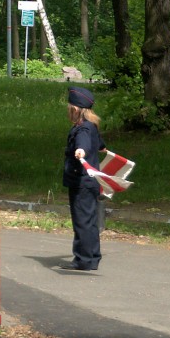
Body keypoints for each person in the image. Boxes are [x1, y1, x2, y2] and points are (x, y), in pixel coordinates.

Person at [61, 86, 102, 271]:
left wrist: (81, 150)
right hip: (91, 182)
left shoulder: (82, 129)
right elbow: (100, 145)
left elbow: (83, 144)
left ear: (75, 109)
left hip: (81, 182)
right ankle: (92, 256)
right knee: (90, 221)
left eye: (69, 106)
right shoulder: (91, 125)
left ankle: (83, 260)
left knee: (82, 221)